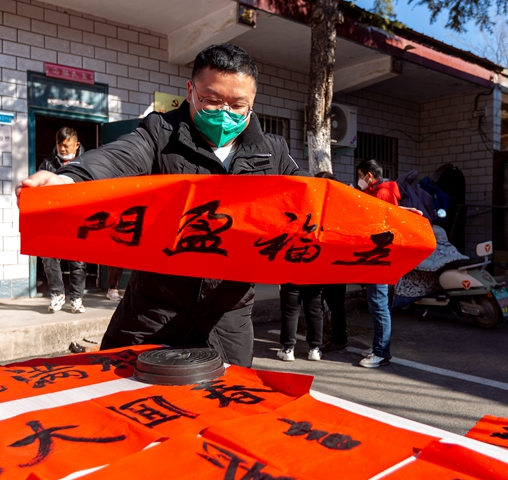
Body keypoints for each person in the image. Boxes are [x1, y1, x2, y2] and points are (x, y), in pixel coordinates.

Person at [17, 44, 303, 367]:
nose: (225, 115)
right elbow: (119, 157)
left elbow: (311, 202)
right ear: (190, 90)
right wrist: (70, 180)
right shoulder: (160, 133)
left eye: (238, 106)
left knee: (221, 411)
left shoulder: (272, 152)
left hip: (228, 324)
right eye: (212, 100)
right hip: (151, 316)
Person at [356, 159, 401, 368]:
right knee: (377, 303)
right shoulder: (380, 191)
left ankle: (382, 352)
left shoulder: (381, 193)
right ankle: (379, 346)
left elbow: (377, 226)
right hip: (378, 255)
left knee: (379, 304)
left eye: (360, 175)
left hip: (379, 255)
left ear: (369, 176)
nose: (359, 180)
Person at [38, 127, 87, 314]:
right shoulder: (47, 165)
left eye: (66, 145)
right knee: (49, 259)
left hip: (79, 220)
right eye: (60, 145)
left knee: (78, 261)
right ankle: (57, 294)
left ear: (77, 144)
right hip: (53, 221)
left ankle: (76, 298)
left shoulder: (87, 163)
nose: (63, 149)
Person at [314, 171, 348, 352]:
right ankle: (336, 338)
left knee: (333, 302)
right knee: (333, 302)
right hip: (332, 262)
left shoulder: (331, 208)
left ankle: (338, 339)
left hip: (332, 262)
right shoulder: (339, 206)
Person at [276, 283, 323, 362]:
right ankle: (315, 349)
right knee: (315, 312)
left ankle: (288, 349)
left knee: (290, 313)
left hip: (291, 277)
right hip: (314, 277)